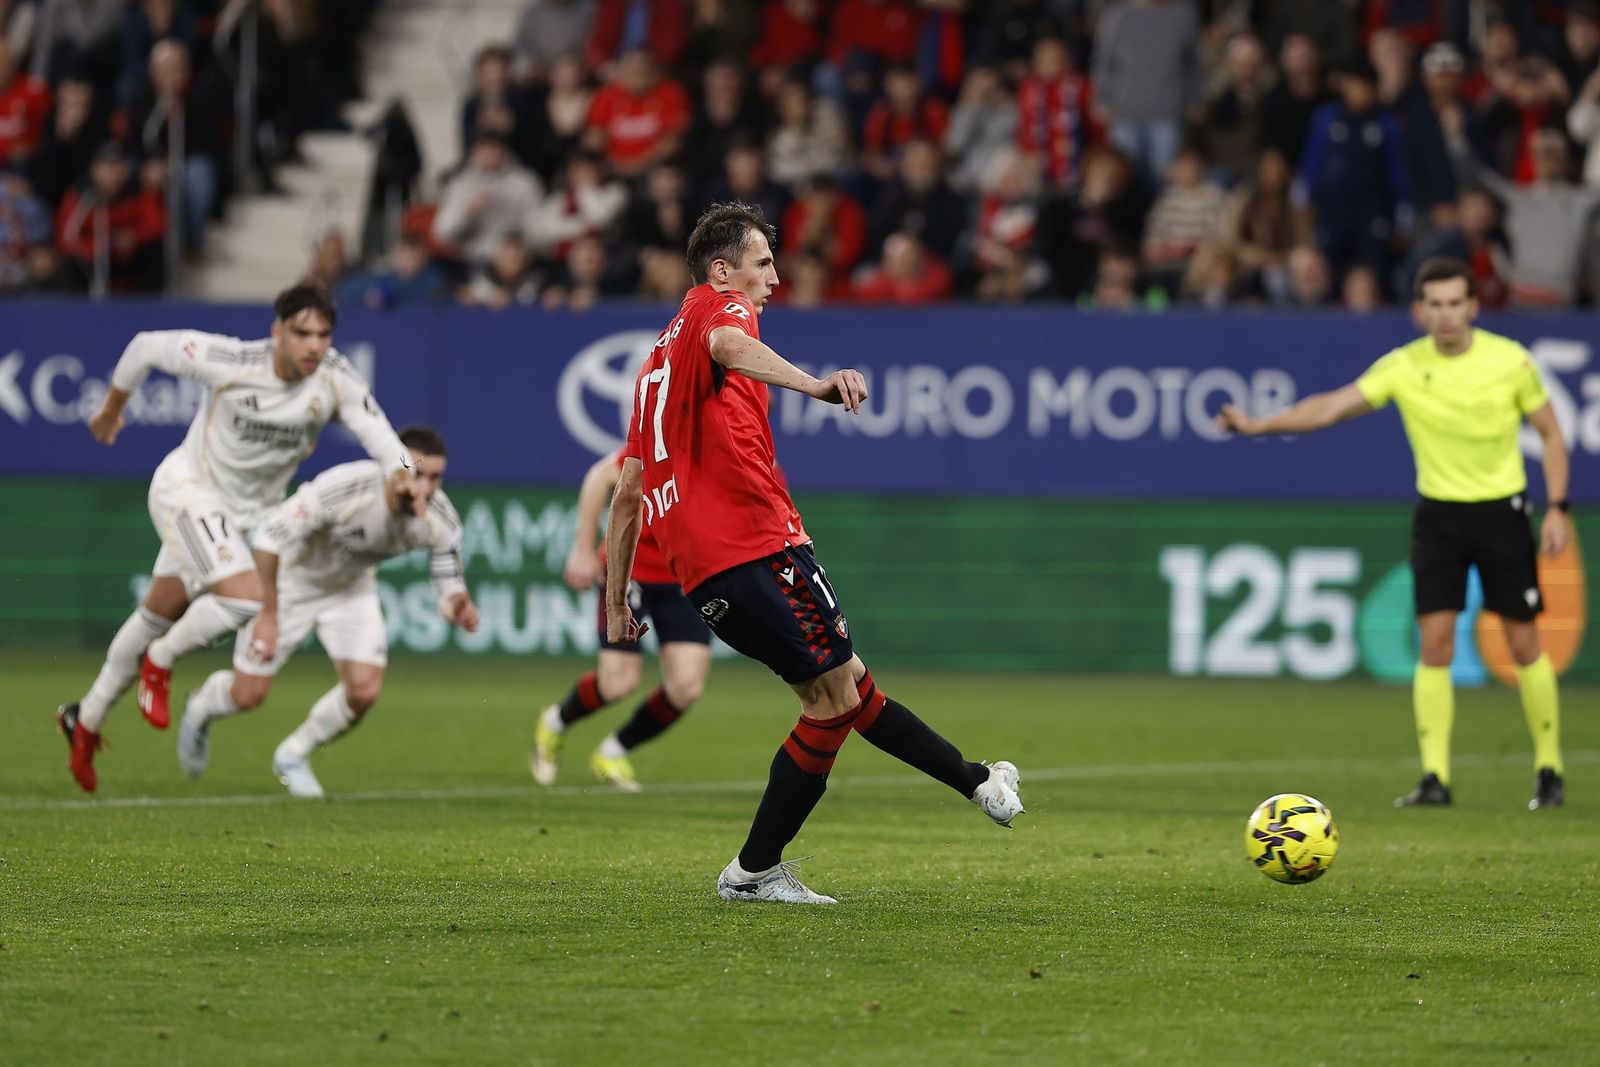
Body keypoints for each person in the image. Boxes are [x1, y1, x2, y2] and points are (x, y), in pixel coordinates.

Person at [603, 201, 1024, 905]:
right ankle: (752, 872)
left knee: (843, 689)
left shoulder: (655, 364)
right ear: (721, 270)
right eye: (763, 263)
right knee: (834, 701)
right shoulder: (719, 311)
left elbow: (627, 493)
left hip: (703, 572)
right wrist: (815, 384)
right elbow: (730, 345)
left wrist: (616, 599)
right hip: (753, 544)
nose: (774, 277)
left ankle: (977, 782)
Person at [1215, 257, 1573, 812]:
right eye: (1435, 304)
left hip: (1502, 513)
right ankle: (1435, 777)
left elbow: (1550, 433)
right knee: (1434, 645)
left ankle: (1549, 769)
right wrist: (1262, 424)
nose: (1445, 314)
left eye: (1454, 303)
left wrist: (1557, 507)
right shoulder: (1404, 366)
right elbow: (1332, 407)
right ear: (1419, 310)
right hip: (1439, 517)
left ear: (1473, 306)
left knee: (1523, 643)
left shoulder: (1510, 362)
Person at [56, 284, 419, 793]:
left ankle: (86, 720)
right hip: (189, 491)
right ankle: (162, 661)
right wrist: (114, 407)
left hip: (245, 518)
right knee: (246, 599)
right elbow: (144, 347)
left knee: (155, 614)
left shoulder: (336, 379)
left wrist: (406, 474)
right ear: (277, 332)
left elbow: (386, 441)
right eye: (302, 333)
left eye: (323, 335)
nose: (314, 345)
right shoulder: (232, 360)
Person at [176, 426, 479, 798]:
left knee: (364, 691)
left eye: (435, 477)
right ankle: (201, 707)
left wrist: (457, 605)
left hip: (351, 588)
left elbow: (448, 583)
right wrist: (268, 615)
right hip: (290, 583)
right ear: (393, 465)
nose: (426, 488)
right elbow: (268, 539)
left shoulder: (440, 518)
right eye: (417, 473)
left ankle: (293, 755)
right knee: (248, 695)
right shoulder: (346, 489)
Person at [531, 447, 712, 792]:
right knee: (618, 682)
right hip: (631, 570)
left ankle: (612, 752)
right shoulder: (668, 439)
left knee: (686, 686)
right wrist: (583, 548)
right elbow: (601, 477)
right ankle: (555, 722)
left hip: (684, 574)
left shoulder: (739, 451)